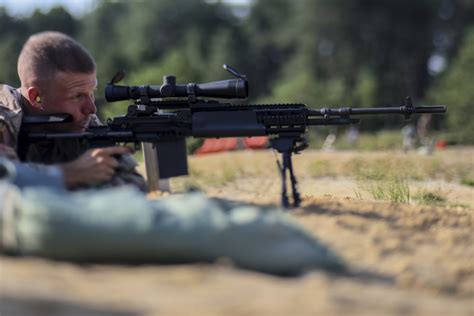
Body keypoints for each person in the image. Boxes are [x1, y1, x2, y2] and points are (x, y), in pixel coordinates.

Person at [0, 31, 146, 191]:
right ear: (36, 97)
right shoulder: (4, 119)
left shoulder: (82, 121)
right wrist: (68, 175)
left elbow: (133, 184)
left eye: (92, 92)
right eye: (77, 96)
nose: (91, 108)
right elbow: (5, 184)